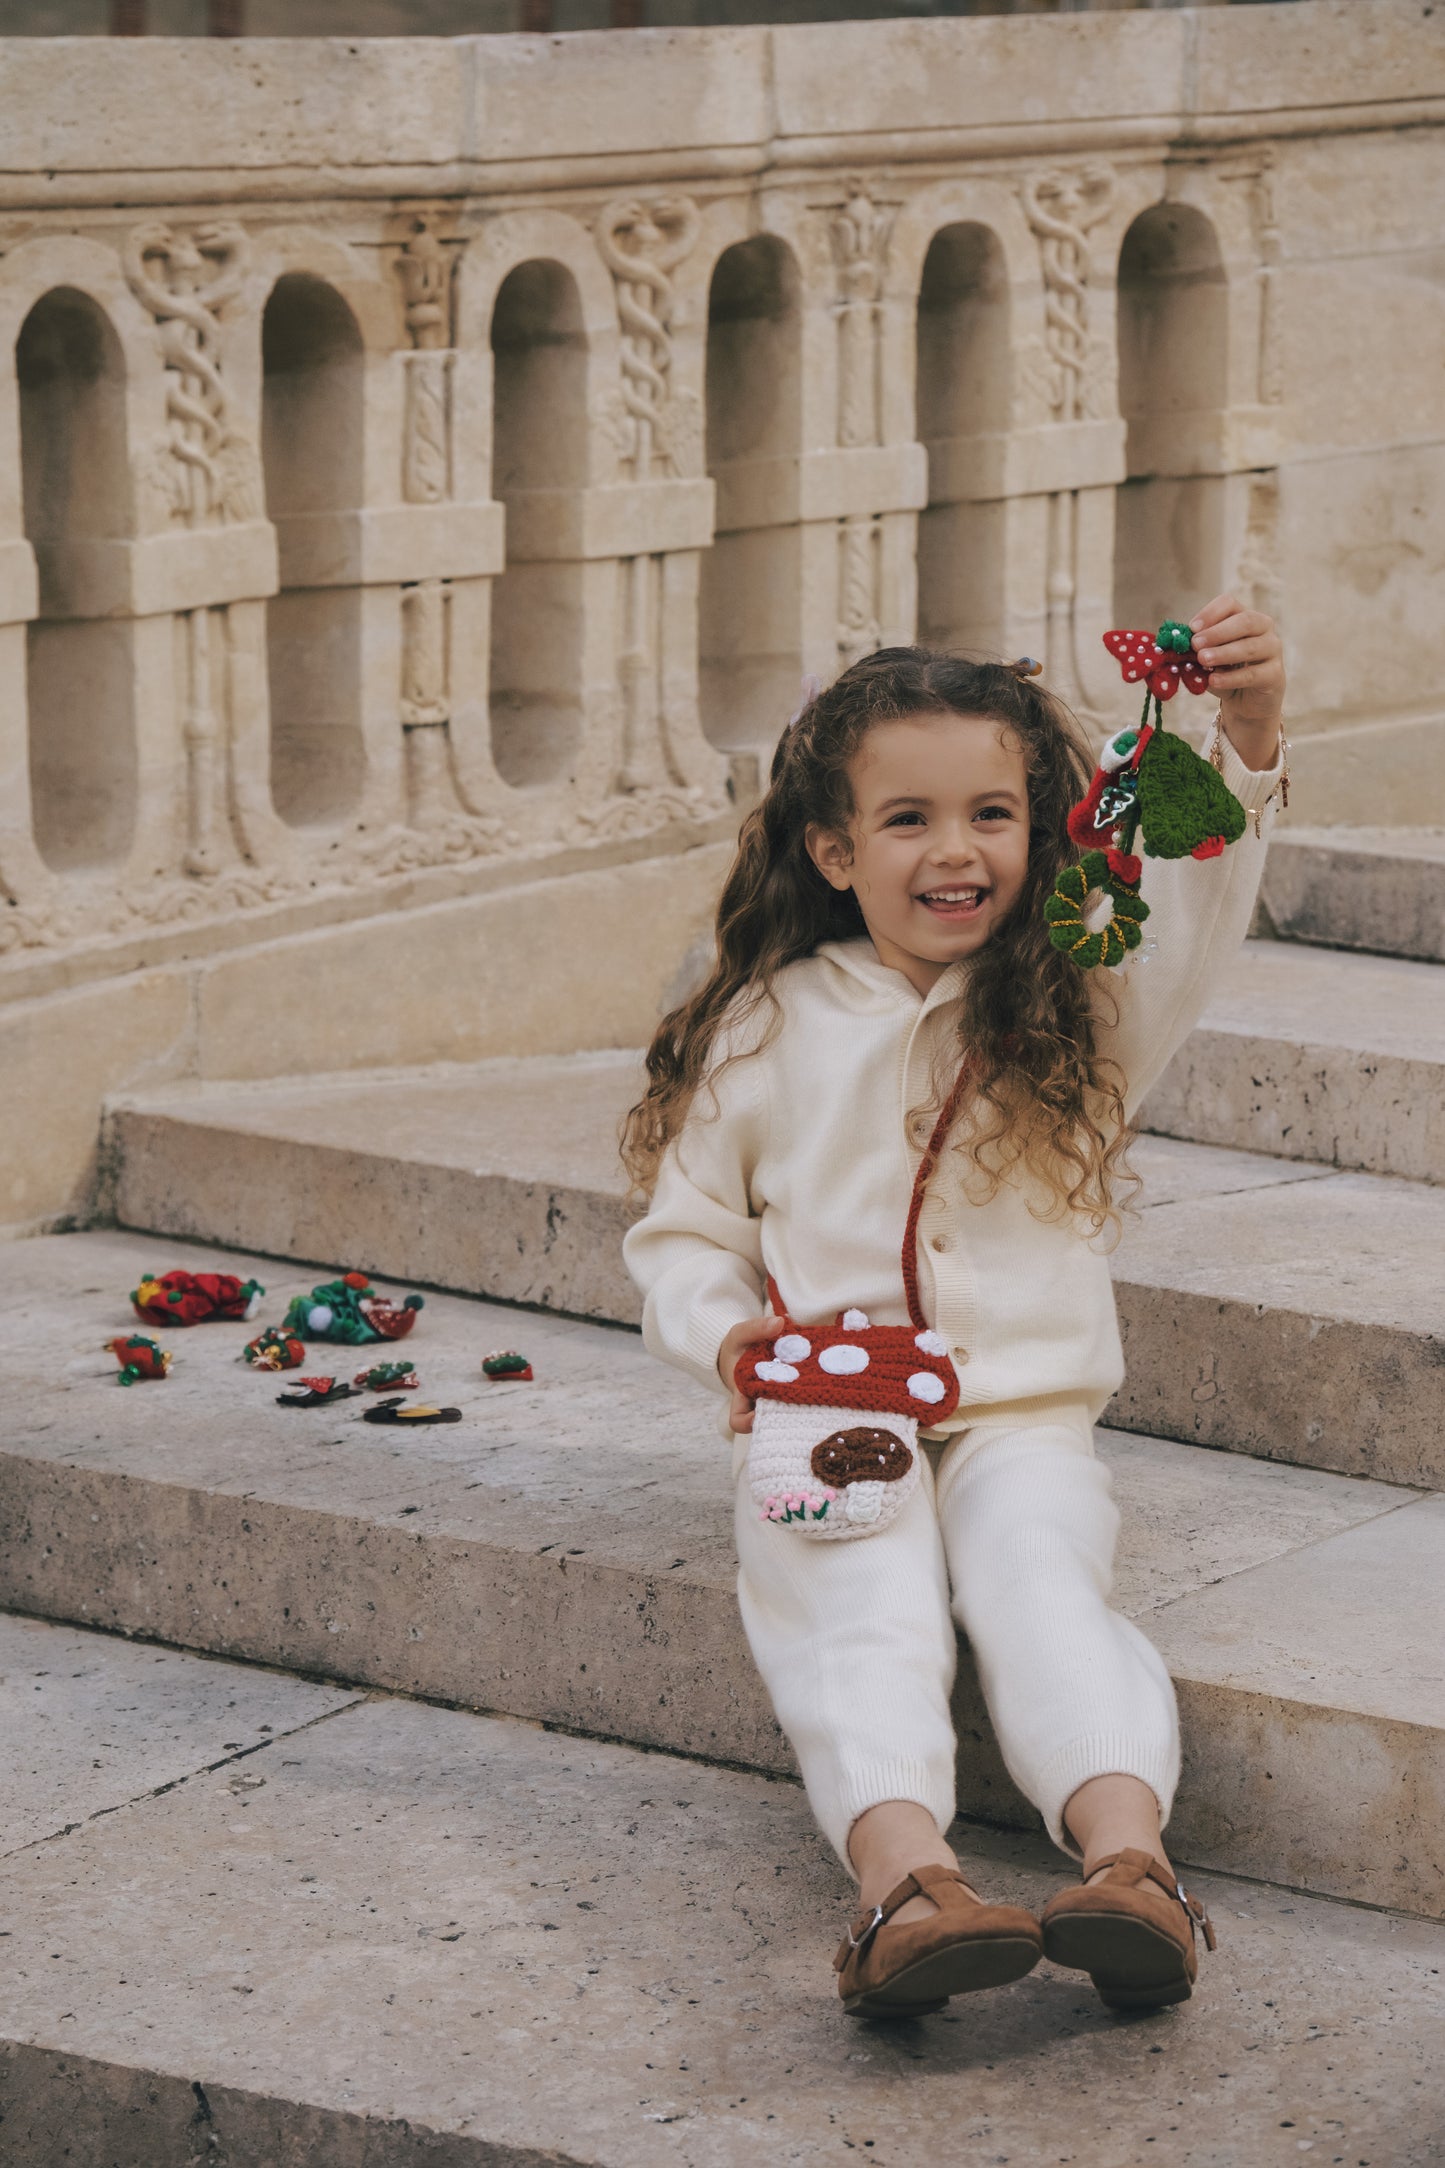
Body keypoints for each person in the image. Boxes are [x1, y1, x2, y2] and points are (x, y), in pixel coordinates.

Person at [622, 595, 1286, 2019]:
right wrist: (728, 1337)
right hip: (824, 1398)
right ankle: (905, 1888)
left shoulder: (1086, 996)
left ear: (1036, 833)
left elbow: (1198, 896)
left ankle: (1129, 1871)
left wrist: (1243, 734)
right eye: (908, 817)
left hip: (1025, 1409)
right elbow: (680, 1240)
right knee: (852, 1604)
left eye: (991, 813)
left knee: (1041, 1591)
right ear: (831, 847)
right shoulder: (766, 1024)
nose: (954, 848)